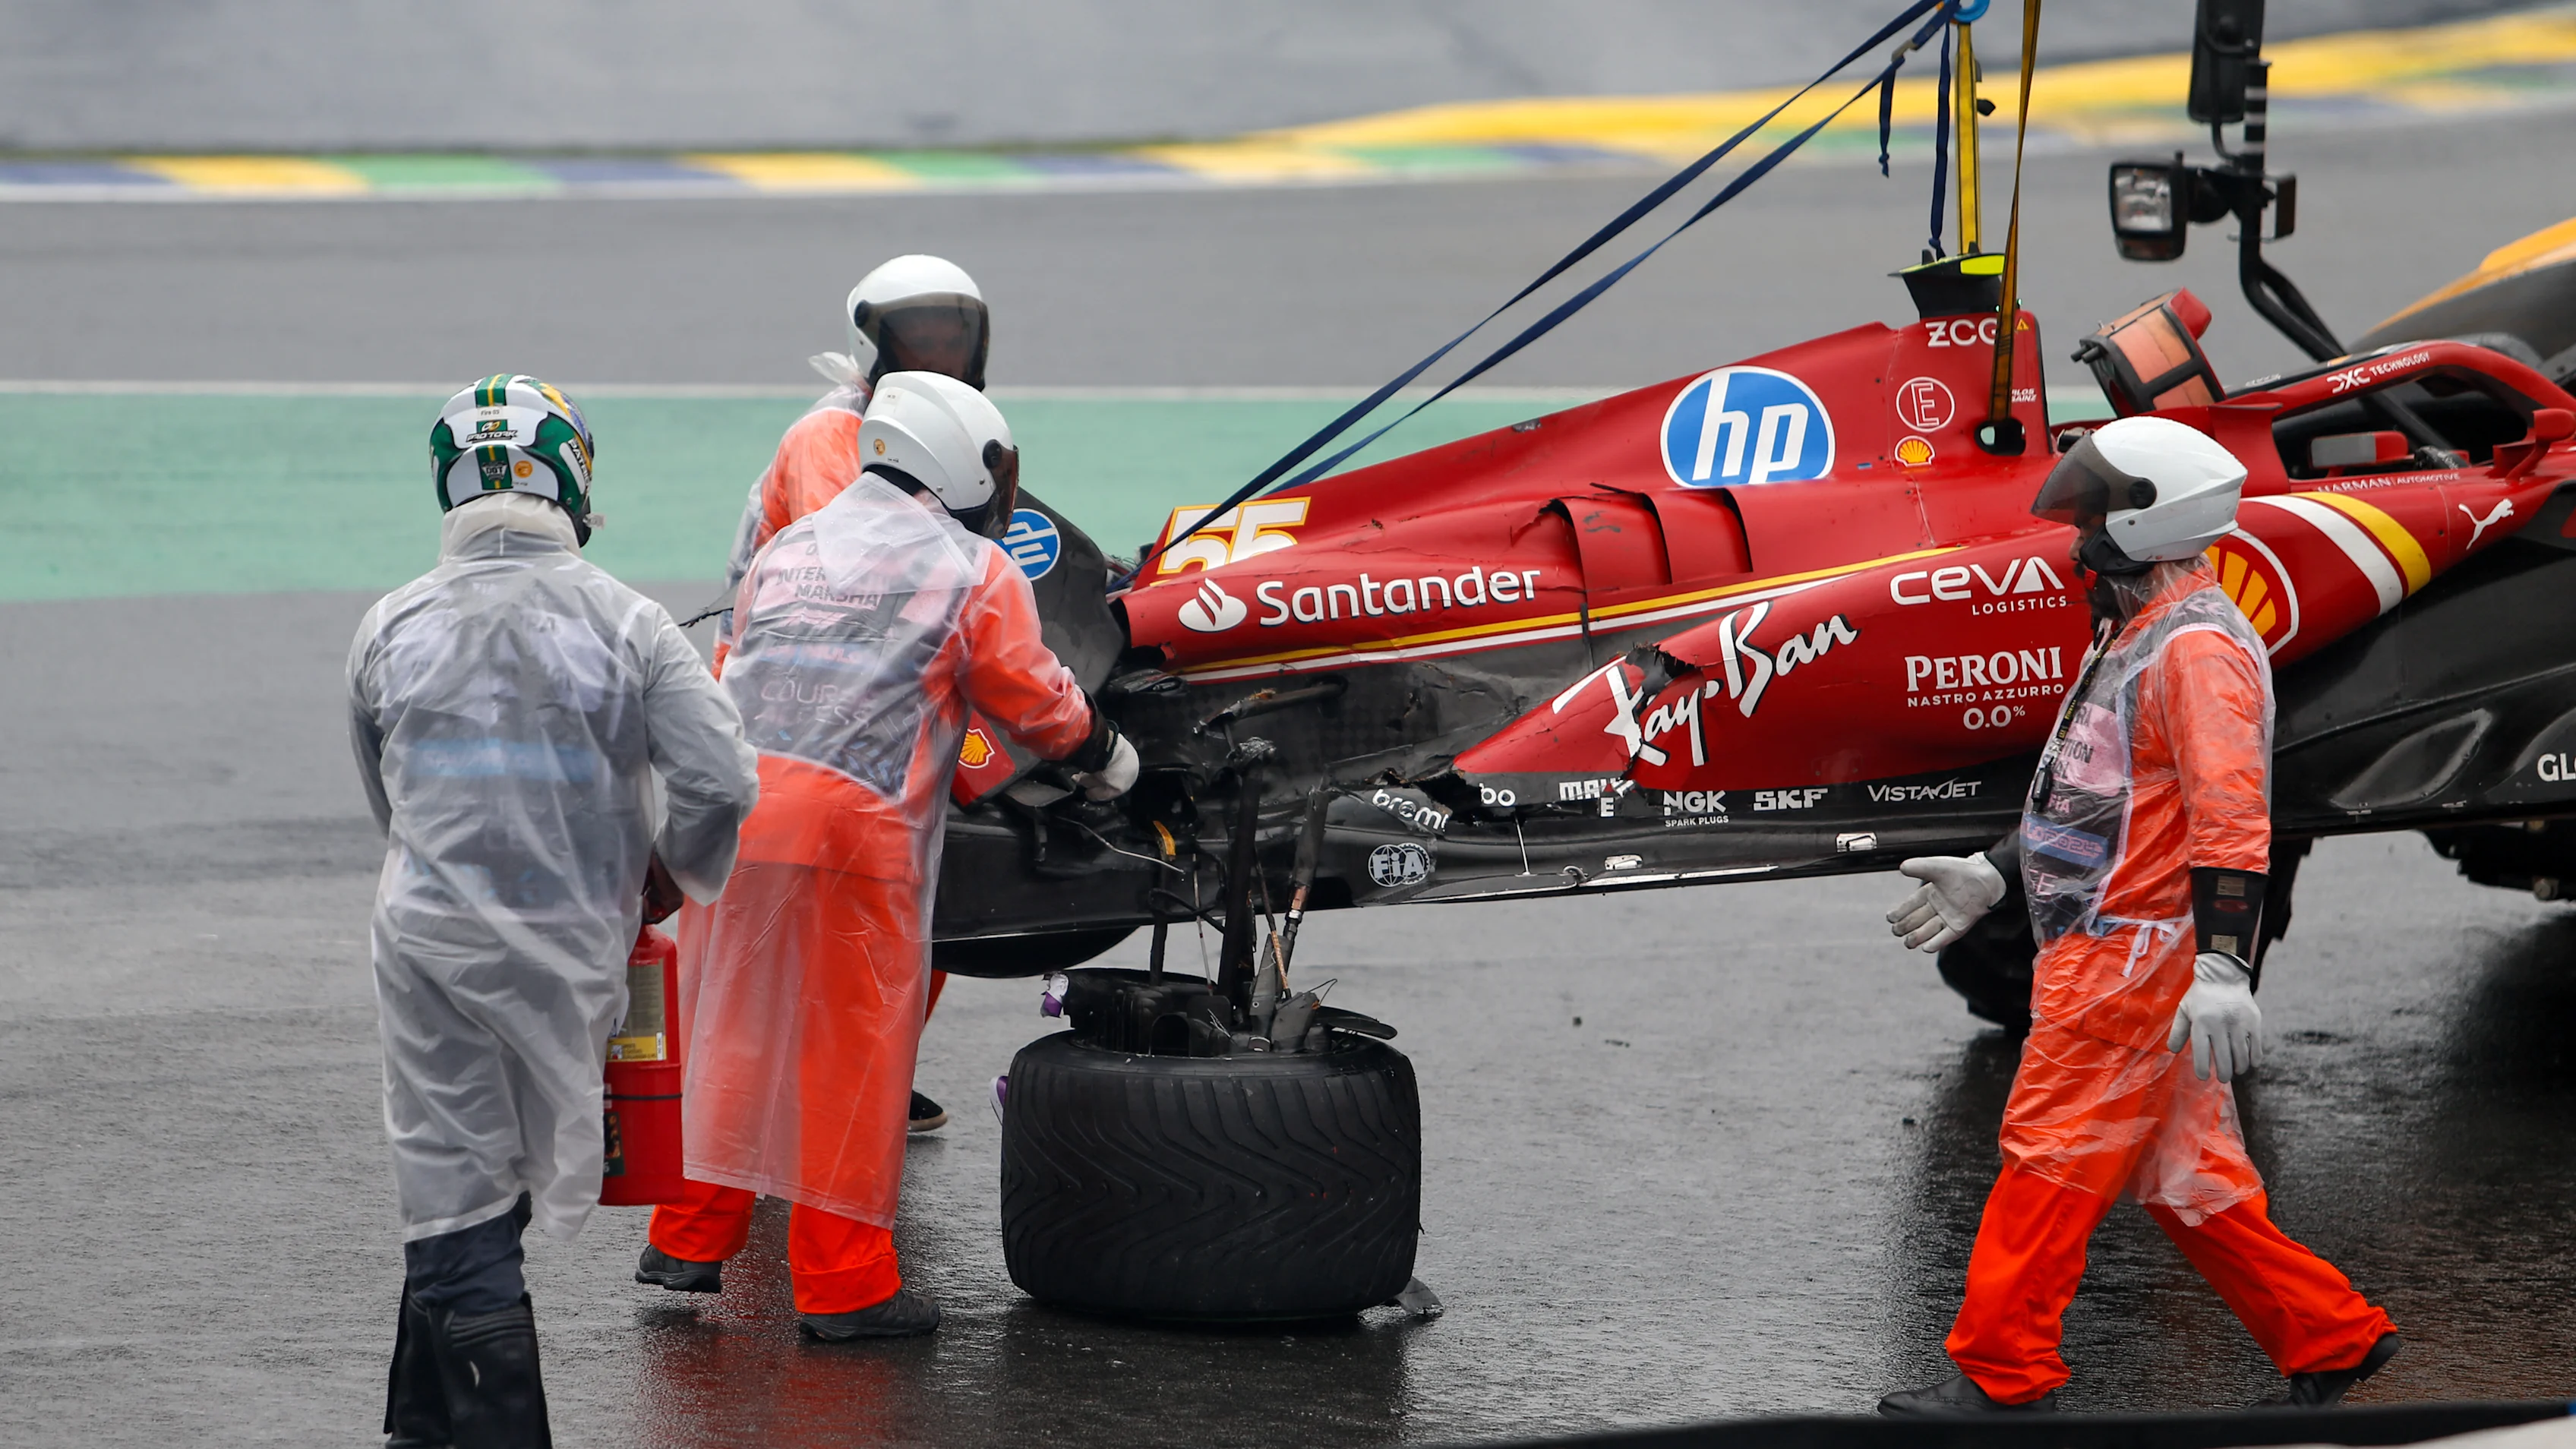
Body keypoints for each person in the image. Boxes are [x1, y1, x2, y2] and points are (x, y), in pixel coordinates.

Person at [1878, 416, 2401, 1416]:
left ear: (2151, 524)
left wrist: (2223, 969)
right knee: (2187, 1178)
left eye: (2098, 519)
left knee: (2050, 1152)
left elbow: (2232, 820)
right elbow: (2103, 799)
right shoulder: (2146, 632)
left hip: (2130, 962)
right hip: (2121, 949)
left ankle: (2001, 1377)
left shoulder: (2195, 653)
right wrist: (1998, 871)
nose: (2079, 544)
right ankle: (2329, 1337)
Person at [638, 372, 1138, 1340]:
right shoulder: (969, 569)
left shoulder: (789, 549)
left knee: (731, 1031)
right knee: (848, 1051)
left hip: (738, 818)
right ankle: (846, 1288)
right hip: (853, 836)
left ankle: (686, 1239)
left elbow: (736, 670)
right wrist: (1105, 751)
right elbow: (1027, 698)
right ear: (962, 464)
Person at [352, 375, 759, 1447]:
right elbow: (724, 780)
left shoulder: (389, 624)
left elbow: (386, 801)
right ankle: (428, 1425)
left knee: (453, 1181)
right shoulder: (629, 624)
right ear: (572, 478)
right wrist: (670, 869)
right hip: (573, 948)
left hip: (431, 940)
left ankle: (444, 1426)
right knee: (481, 1185)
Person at [711, 252, 993, 1134]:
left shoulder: (959, 424)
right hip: (784, 698)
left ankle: (864, 1063)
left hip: (875, 688)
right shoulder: (832, 440)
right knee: (831, 898)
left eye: (953, 334)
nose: (936, 352)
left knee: (947, 881)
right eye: (918, 336)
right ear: (871, 344)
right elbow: (875, 576)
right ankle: (800, 1085)